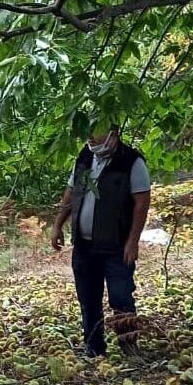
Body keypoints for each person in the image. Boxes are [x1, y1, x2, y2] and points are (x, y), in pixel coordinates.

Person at [51, 122, 152, 359]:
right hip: (84, 246)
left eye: (96, 132)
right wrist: (57, 225)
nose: (90, 137)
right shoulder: (85, 157)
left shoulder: (131, 161)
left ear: (112, 135)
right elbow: (70, 192)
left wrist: (133, 241)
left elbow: (142, 203)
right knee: (88, 298)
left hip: (116, 245)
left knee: (121, 296)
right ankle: (94, 348)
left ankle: (129, 346)